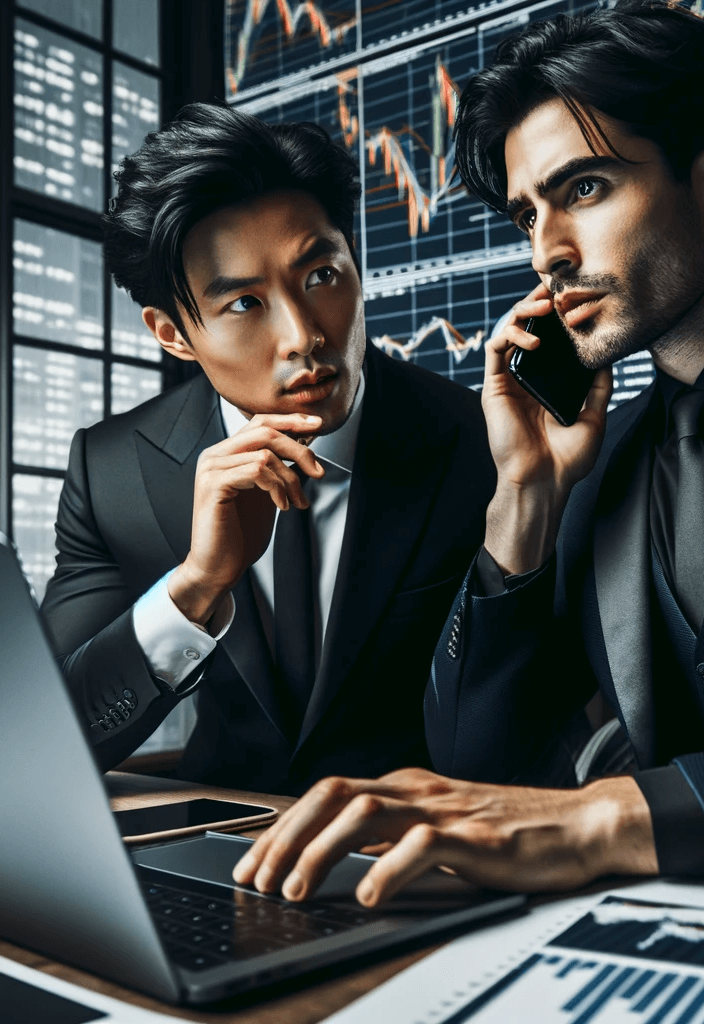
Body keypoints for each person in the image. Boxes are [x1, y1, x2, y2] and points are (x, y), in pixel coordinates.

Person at [231, 2, 704, 904]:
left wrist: (618, 818)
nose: (547, 253)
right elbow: (473, 762)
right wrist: (524, 497)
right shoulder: (593, 470)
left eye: (583, 189)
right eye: (528, 214)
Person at [42, 103, 495, 795]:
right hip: (222, 843)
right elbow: (53, 730)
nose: (303, 335)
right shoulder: (112, 472)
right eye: (245, 304)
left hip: (422, 856)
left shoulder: (486, 443)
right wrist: (196, 586)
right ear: (171, 334)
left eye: (321, 276)